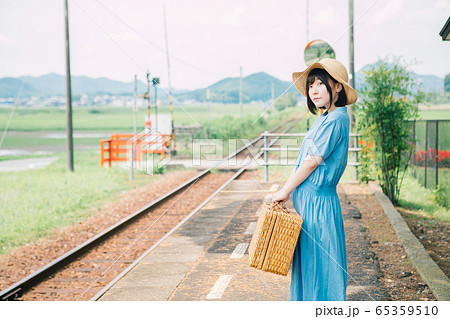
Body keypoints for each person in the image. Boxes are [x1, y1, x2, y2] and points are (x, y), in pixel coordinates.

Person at [271, 58, 358, 301]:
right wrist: (289, 189)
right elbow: (304, 160)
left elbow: (312, 161)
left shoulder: (337, 118)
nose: (314, 90)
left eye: (321, 83)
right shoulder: (324, 118)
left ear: (337, 86)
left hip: (318, 205)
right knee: (310, 265)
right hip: (310, 204)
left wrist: (286, 190)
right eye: (311, 86)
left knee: (321, 267)